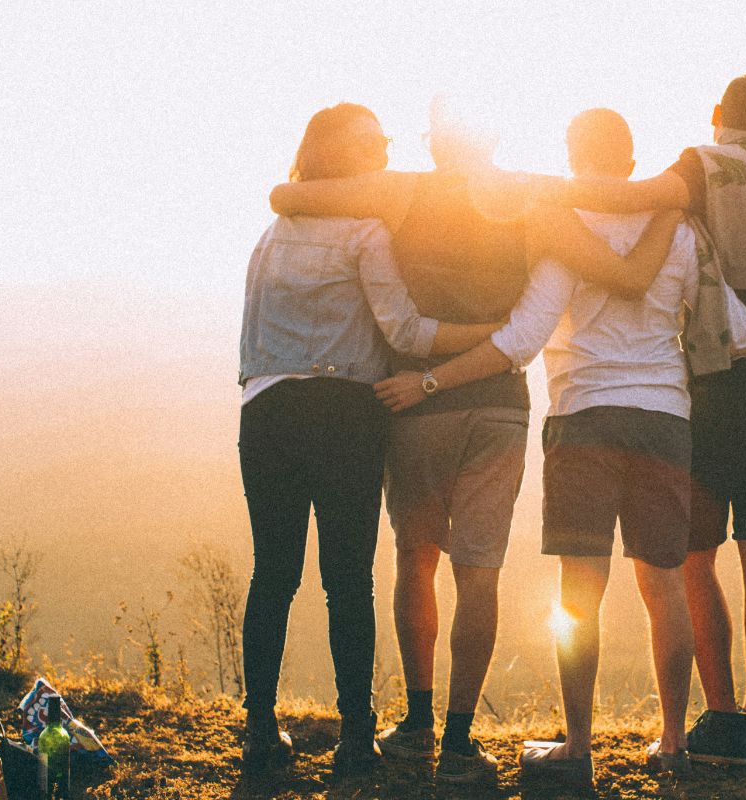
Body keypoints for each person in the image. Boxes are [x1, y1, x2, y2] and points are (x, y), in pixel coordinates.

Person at [374, 108, 746, 790]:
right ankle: (675, 743)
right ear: (631, 162)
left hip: (583, 420)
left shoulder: (563, 228)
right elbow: (736, 328)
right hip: (664, 423)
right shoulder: (680, 231)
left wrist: (431, 379)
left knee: (579, 593)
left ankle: (579, 748)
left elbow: (523, 338)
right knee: (664, 585)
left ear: (572, 155)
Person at [267, 98, 680, 784]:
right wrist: (670, 205)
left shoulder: (401, 192)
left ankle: (417, 721)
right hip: (497, 406)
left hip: (414, 401)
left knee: (415, 556)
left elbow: (291, 194)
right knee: (478, 571)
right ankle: (460, 739)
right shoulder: (530, 200)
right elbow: (619, 272)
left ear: (434, 145)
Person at [545, 73, 746, 765]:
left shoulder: (705, 164)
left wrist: (533, 194)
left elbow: (633, 198)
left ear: (716, 116)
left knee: (693, 557)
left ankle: (719, 717)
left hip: (724, 377)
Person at [236, 102, 506, 779]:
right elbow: (407, 334)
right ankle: (356, 738)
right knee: (347, 580)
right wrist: (491, 336)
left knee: (273, 574)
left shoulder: (271, 235)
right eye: (375, 142)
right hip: (345, 415)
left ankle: (260, 733)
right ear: (345, 156)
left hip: (266, 410)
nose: (386, 151)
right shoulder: (365, 233)